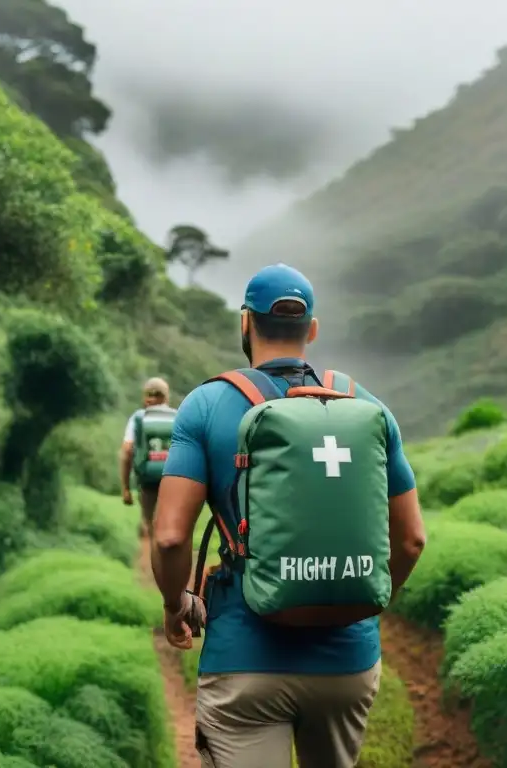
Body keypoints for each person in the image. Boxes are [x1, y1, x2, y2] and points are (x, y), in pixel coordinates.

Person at [151, 263, 426, 768]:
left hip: (244, 660)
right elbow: (410, 541)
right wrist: (353, 598)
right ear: (312, 330)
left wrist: (177, 604)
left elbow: (170, 538)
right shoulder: (366, 405)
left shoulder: (206, 405)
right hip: (348, 662)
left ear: (244, 324)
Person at [121, 376, 177, 537]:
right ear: (166, 397)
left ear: (145, 398)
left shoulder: (139, 417)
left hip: (148, 480)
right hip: (174, 479)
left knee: (152, 526)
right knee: (175, 525)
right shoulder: (178, 416)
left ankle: (156, 556)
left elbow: (127, 450)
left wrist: (125, 488)